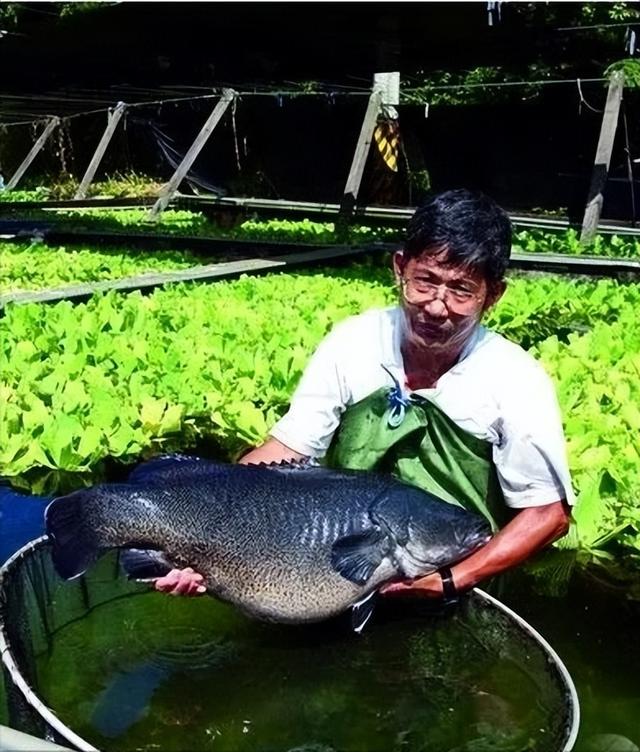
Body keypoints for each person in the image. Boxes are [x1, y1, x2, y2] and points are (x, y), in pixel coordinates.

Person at [155, 188, 574, 599]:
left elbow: (548, 514)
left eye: (461, 290)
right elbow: (287, 451)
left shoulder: (516, 378)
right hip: (332, 574)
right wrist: (201, 538)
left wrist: (447, 582)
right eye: (424, 281)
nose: (436, 306)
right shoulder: (352, 342)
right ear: (399, 268)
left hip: (462, 588)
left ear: (492, 295)